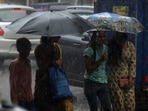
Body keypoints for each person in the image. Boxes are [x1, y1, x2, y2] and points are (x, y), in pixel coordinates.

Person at [34, 36, 73, 111]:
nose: (59, 37)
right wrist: (54, 63)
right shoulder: (52, 48)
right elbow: (43, 65)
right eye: (56, 36)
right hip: (50, 85)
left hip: (45, 84)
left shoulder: (52, 48)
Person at [83, 31, 112, 111]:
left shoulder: (106, 48)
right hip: (91, 82)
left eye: (104, 36)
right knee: (94, 107)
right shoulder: (89, 51)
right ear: (95, 38)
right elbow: (89, 70)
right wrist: (100, 60)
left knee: (107, 107)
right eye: (100, 37)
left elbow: (109, 63)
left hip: (103, 82)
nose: (102, 39)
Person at [107, 32, 136, 111]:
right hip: (115, 80)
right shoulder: (112, 47)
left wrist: (131, 77)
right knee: (119, 105)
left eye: (123, 42)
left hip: (127, 80)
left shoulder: (130, 46)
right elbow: (109, 63)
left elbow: (132, 62)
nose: (122, 44)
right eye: (120, 42)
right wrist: (114, 52)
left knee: (130, 105)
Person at [9, 37, 34, 110]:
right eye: (26, 50)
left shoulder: (27, 63)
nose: (27, 52)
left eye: (29, 50)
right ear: (19, 50)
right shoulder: (15, 64)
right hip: (20, 99)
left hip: (29, 98)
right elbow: (13, 84)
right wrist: (15, 102)